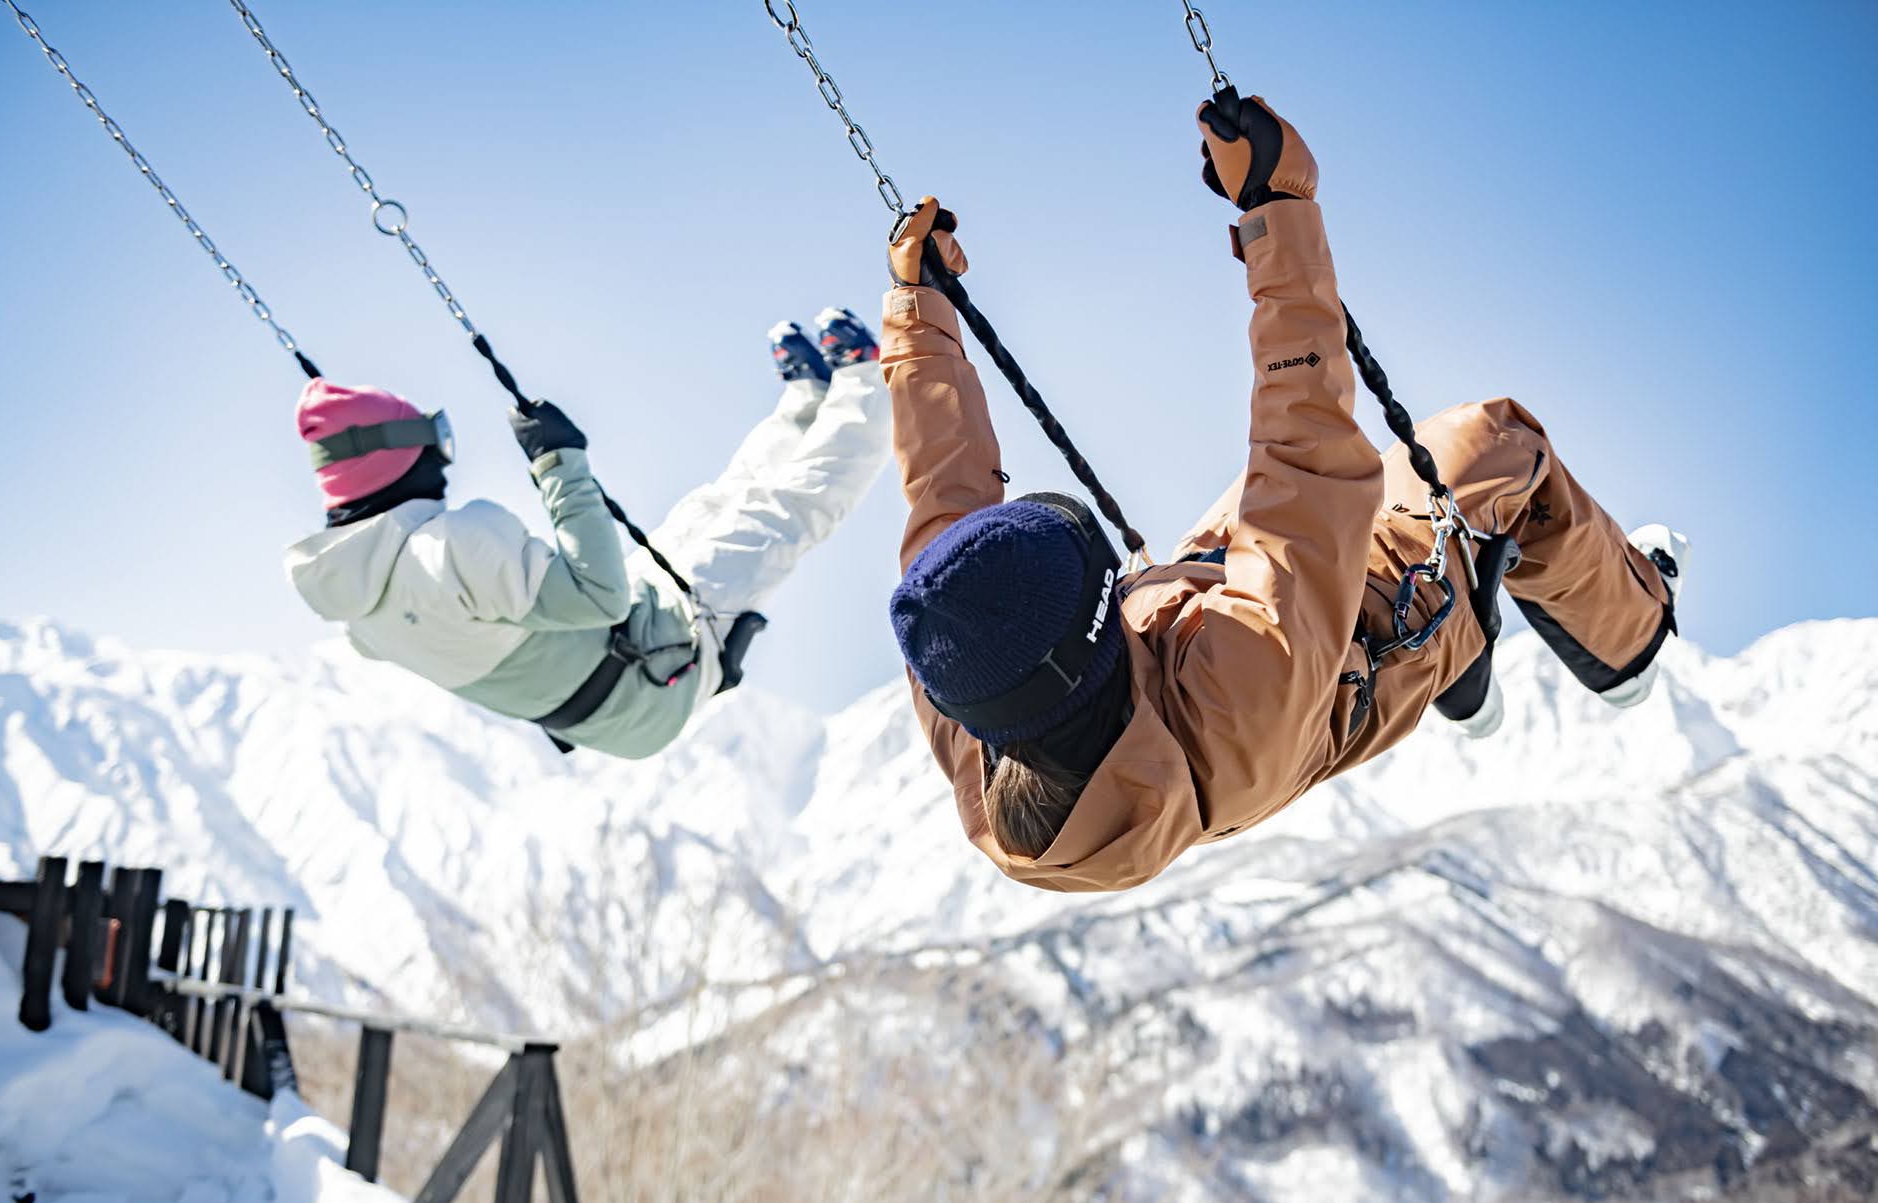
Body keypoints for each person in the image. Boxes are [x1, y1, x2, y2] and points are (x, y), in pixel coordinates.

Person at [882, 92, 1689, 892]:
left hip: (1197, 618)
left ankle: (1469, 683)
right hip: (1371, 639)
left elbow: (944, 513)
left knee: (1271, 497)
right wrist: (1279, 212)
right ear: (1094, 628)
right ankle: (1629, 642)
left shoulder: (974, 698)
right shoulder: (1243, 691)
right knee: (1499, 443)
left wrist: (920, 314)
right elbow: (1307, 449)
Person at [285, 308, 890, 757]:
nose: (444, 461)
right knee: (779, 514)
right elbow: (600, 598)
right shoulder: (452, 546)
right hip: (657, 667)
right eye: (436, 440)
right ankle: (868, 385)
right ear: (398, 459)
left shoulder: (355, 610)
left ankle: (806, 402)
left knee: (712, 509)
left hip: (621, 696)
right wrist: (560, 463)